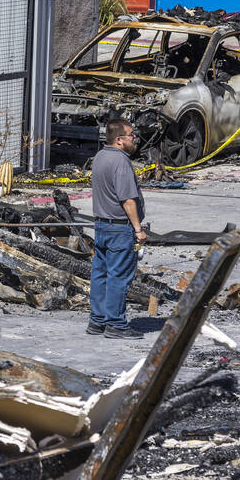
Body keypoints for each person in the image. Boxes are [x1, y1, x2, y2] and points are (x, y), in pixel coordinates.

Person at [86, 118, 147, 339]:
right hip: (120, 229)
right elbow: (128, 200)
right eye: (131, 135)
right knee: (119, 276)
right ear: (119, 139)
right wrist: (138, 230)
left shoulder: (100, 157)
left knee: (100, 274)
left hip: (101, 225)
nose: (134, 138)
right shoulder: (121, 162)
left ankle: (97, 321)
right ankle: (116, 324)